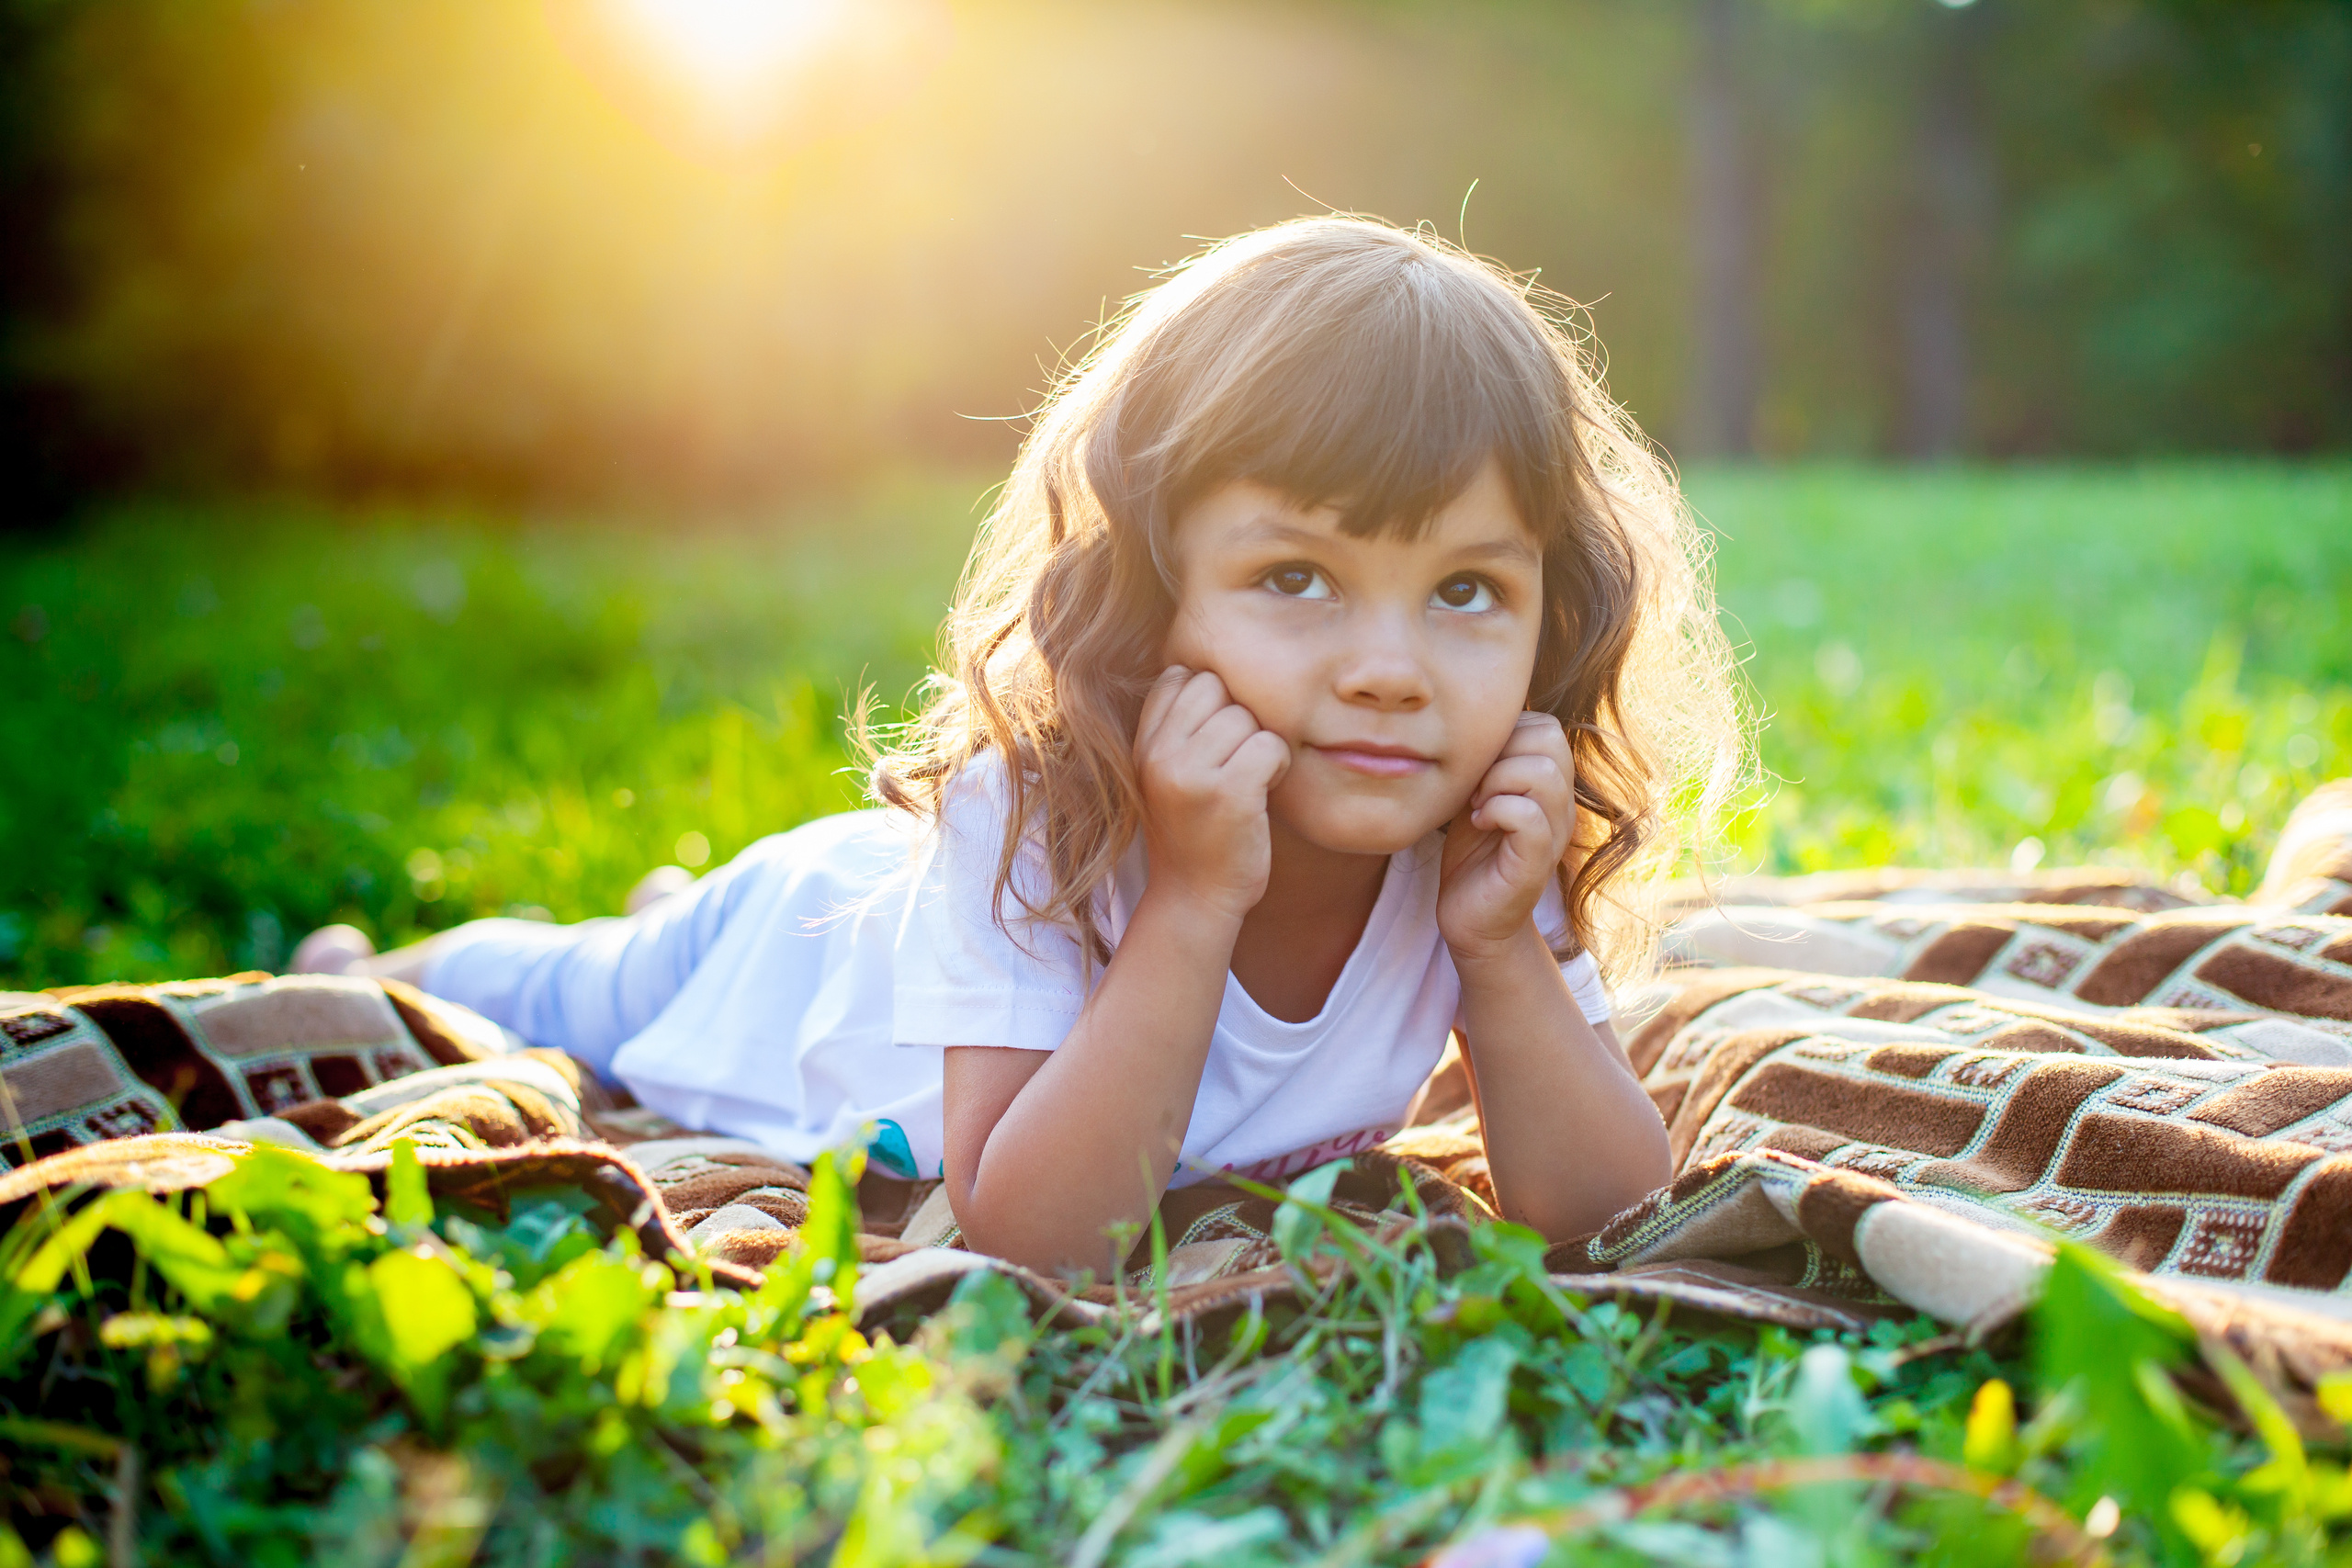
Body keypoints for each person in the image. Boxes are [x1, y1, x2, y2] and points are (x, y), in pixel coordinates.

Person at [294, 216, 1747, 1279]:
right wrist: (1188, 903)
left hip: (885, 922)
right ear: (1150, 585)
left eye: (1466, 593)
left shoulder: (1479, 835)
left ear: (1555, 610)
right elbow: (1040, 1234)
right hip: (783, 971)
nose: (1389, 671)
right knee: (578, 987)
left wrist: (1501, 951)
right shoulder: (1042, 823)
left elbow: (1607, 1214)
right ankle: (382, 972)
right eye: (1296, 578)